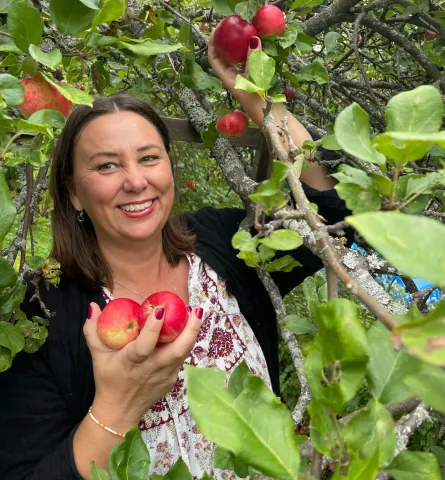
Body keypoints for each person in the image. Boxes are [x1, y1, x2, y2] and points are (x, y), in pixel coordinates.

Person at [0, 34, 347, 479]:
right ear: (74, 193)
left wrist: (251, 90)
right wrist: (117, 407)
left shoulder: (227, 244)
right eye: (106, 165)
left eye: (149, 158)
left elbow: (325, 205)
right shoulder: (41, 316)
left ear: (169, 166)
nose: (135, 180)